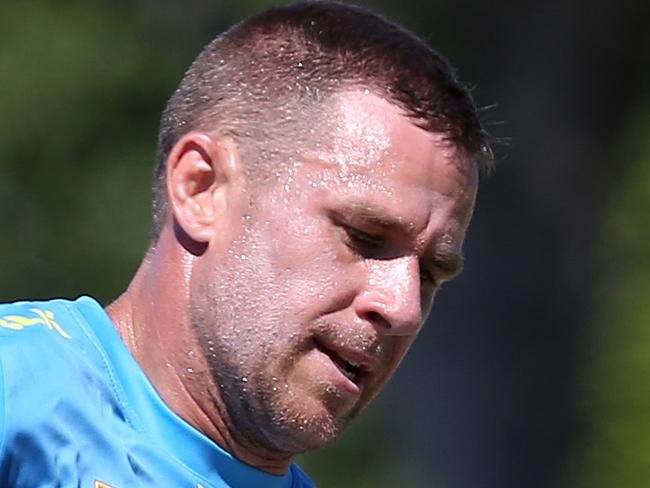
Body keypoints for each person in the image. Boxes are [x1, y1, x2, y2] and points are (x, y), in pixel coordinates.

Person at [0, 1, 492, 486]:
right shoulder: (19, 397)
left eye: (429, 272)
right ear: (202, 189)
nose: (404, 307)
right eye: (364, 238)